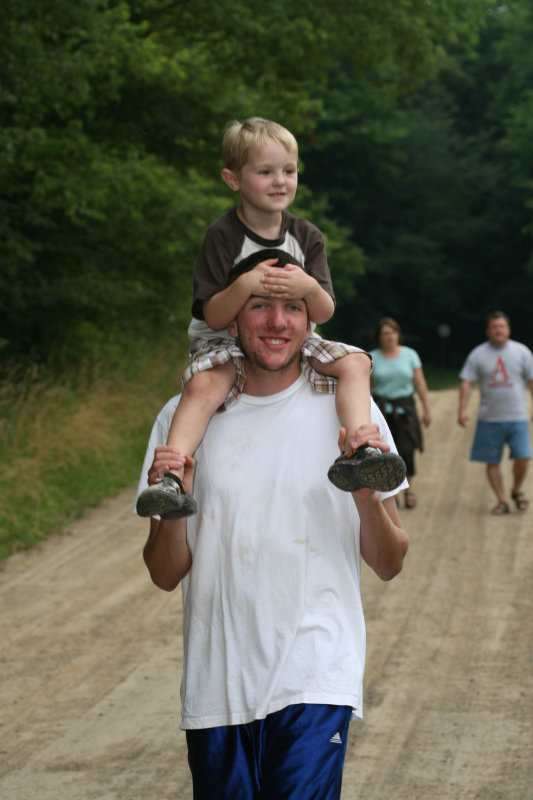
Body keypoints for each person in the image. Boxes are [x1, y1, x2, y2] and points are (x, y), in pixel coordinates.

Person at [138, 292, 409, 799]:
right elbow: (164, 573)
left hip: (317, 671)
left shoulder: (354, 413)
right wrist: (179, 505)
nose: (277, 322)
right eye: (259, 306)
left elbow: (390, 562)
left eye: (293, 308)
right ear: (232, 321)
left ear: (312, 323)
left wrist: (367, 498)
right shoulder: (184, 420)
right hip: (218, 682)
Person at [136, 117, 405, 521]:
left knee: (355, 362)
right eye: (265, 172)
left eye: (289, 171)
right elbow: (212, 312)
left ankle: (359, 450)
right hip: (222, 339)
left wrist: (307, 287)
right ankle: (171, 476)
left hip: (293, 335)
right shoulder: (223, 235)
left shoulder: (307, 235)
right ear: (233, 179)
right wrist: (245, 286)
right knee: (205, 385)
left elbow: (325, 310)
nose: (280, 181)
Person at [458, 310, 533, 515]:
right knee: (492, 461)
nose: (498, 330)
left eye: (501, 326)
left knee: (523, 457)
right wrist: (462, 409)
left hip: (517, 416)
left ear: (508, 329)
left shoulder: (522, 352)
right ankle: (502, 500)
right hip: (489, 418)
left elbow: (531, 380)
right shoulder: (478, 354)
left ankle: (516, 490)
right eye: (494, 327)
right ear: (487, 331)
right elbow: (466, 382)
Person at [369, 317, 431, 509]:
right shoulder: (371, 357)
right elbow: (365, 388)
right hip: (382, 410)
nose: (390, 337)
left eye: (393, 332)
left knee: (407, 449)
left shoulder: (410, 355)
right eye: (386, 333)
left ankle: (409, 490)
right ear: (379, 337)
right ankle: (391, 491)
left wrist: (427, 409)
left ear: (399, 334)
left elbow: (420, 383)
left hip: (406, 409)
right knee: (384, 451)